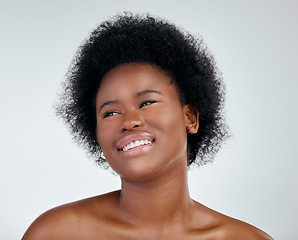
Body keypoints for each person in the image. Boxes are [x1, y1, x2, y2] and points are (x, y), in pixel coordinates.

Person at [22, 13, 273, 239]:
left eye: (147, 102)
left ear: (190, 118)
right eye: (110, 112)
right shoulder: (55, 233)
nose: (129, 121)